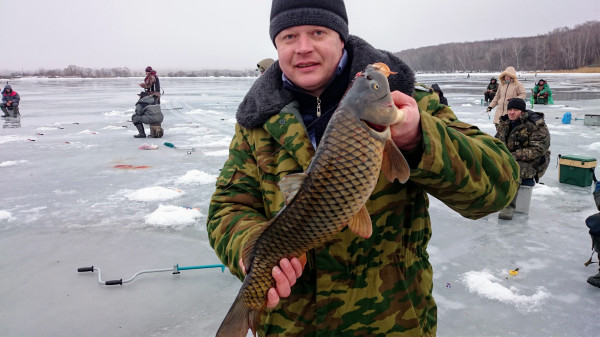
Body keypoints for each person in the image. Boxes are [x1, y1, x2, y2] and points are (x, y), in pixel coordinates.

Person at [207, 1, 519, 335]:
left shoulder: (407, 100)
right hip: (289, 326)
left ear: (341, 37)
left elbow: (499, 187)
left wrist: (419, 138)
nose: (303, 48)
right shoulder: (257, 123)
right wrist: (249, 250)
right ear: (276, 46)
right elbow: (228, 207)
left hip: (392, 323)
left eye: (317, 32)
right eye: (288, 36)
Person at [494, 98, 550, 220]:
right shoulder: (504, 124)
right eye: (510, 109)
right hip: (509, 157)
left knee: (514, 168)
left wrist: (513, 156)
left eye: (515, 110)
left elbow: (539, 149)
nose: (511, 112)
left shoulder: (535, 125)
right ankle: (487, 200)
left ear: (522, 112)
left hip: (533, 162)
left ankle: (509, 206)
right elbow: (497, 142)